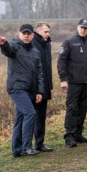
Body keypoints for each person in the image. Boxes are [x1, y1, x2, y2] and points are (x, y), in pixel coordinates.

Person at [0, 24, 44, 157]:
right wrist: (3, 44)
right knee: (30, 113)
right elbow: (8, 51)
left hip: (30, 90)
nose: (26, 36)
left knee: (20, 118)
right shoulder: (15, 46)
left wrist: (39, 91)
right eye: (24, 33)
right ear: (19, 34)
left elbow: (39, 73)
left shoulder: (35, 52)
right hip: (17, 88)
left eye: (29, 33)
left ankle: (17, 150)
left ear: (33, 35)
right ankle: (27, 147)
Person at [57, 18, 87, 148]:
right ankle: (69, 136)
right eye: (81, 27)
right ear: (77, 27)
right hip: (73, 82)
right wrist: (63, 79)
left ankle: (78, 134)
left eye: (86, 28)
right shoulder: (69, 42)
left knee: (82, 109)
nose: (83, 30)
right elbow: (61, 61)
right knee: (72, 109)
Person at [32, 22, 53, 152]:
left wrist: (49, 85)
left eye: (49, 32)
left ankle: (39, 144)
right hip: (34, 87)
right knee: (32, 116)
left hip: (45, 85)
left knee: (41, 116)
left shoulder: (47, 44)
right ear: (38, 31)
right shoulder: (32, 43)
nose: (48, 34)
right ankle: (27, 145)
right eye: (45, 32)